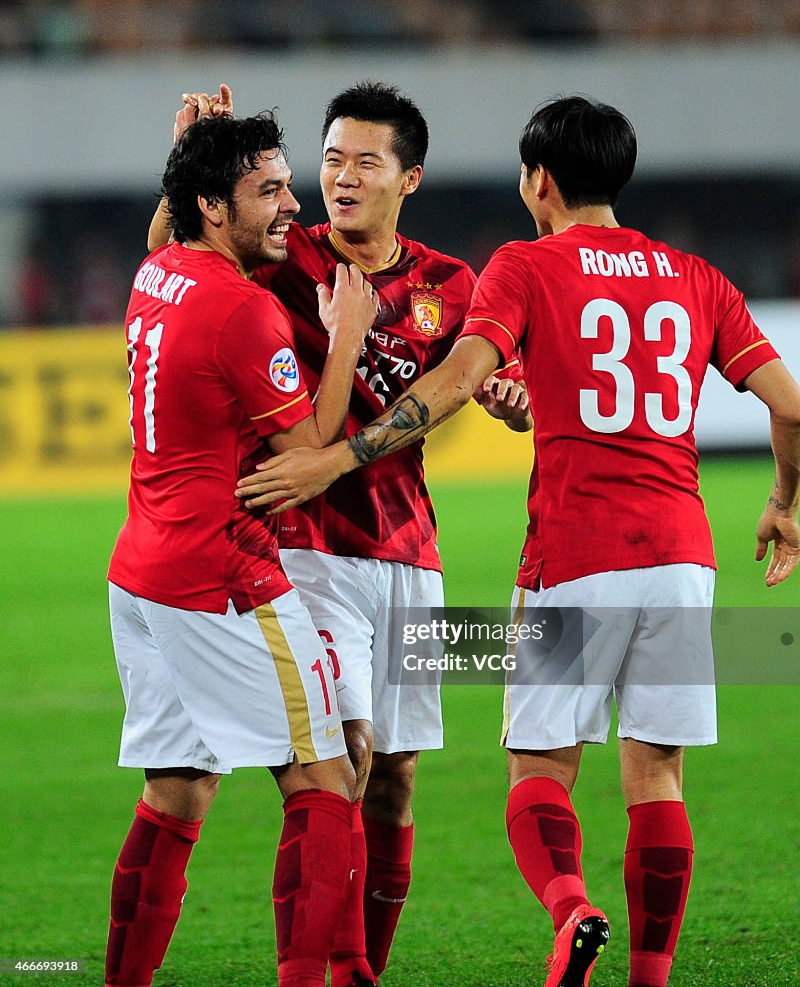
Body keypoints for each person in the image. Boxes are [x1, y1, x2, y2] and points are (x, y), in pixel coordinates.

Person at [235, 95, 800, 987]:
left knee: (538, 766)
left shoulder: (521, 265)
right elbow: (791, 404)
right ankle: (649, 978)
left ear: (539, 181)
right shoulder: (696, 276)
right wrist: (784, 501)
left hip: (574, 553)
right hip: (684, 557)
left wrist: (343, 452)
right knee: (658, 778)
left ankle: (571, 906)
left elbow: (460, 376)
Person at [149, 80, 530, 987]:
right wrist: (185, 178)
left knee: (396, 778)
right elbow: (172, 260)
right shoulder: (283, 253)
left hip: (408, 552)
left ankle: (366, 968)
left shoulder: (450, 285)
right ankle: (328, 969)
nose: (340, 178)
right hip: (306, 546)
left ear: (411, 177)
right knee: (343, 757)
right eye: (330, 159)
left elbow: (497, 386)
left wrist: (511, 402)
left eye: (365, 160)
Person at [106, 111, 378, 987]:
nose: (292, 204)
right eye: (268, 190)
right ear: (214, 208)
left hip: (140, 573)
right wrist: (344, 342)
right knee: (326, 781)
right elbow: (307, 458)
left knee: (176, 795)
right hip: (220, 577)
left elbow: (165, 227)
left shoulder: (161, 271)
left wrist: (184, 157)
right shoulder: (242, 311)